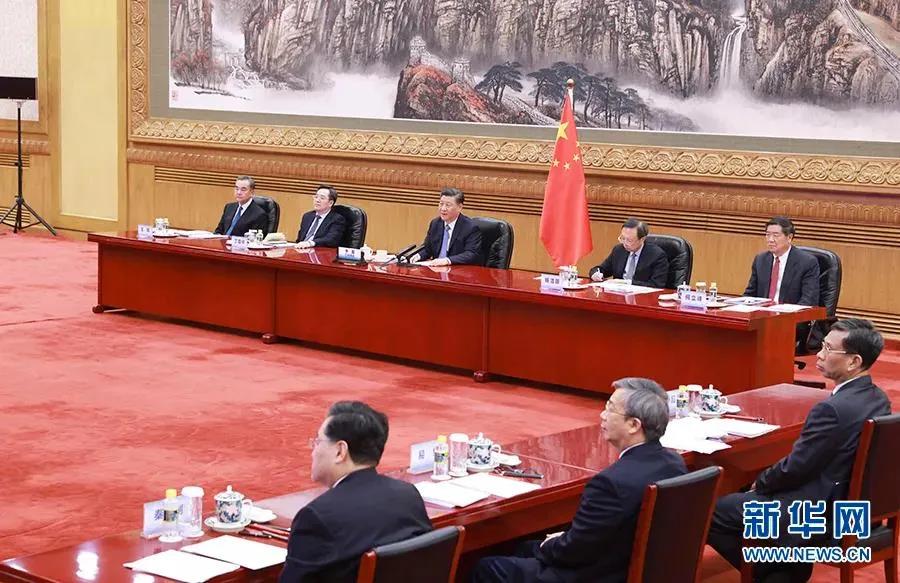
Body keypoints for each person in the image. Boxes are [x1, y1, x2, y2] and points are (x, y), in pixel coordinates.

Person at [707, 318, 891, 583]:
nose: (819, 354)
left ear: (854, 361)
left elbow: (796, 468)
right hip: (854, 509)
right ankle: (787, 568)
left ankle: (774, 572)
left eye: (828, 349)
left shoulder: (832, 410)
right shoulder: (878, 399)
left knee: (711, 511)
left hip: (819, 515)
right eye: (823, 346)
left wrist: (760, 482)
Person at [472, 378, 687, 583]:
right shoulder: (675, 463)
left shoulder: (610, 484)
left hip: (595, 575)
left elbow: (573, 552)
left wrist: (553, 543)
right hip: (635, 566)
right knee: (525, 548)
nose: (602, 415)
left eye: (610, 409)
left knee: (488, 567)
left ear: (633, 424)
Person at [280, 401, 432, 583]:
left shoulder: (317, 517)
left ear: (340, 451)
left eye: (318, 442)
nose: (313, 451)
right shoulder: (408, 496)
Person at [743, 216, 819, 306]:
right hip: (762, 312)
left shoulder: (807, 262)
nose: (770, 240)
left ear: (789, 237)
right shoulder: (761, 260)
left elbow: (809, 300)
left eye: (775, 235)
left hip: (789, 313)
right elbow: (750, 295)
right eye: (768, 235)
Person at [411, 187, 483, 266]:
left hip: (457, 270)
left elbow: (471, 254)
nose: (443, 209)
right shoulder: (435, 224)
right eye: (441, 204)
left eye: (448, 205)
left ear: (459, 207)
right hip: (435, 269)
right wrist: (418, 256)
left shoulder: (470, 227)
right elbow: (428, 249)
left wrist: (448, 260)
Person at [588, 218, 668, 288]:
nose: (625, 243)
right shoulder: (619, 250)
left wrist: (627, 283)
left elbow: (656, 285)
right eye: (622, 238)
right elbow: (602, 269)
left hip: (642, 298)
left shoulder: (657, 255)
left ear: (642, 239)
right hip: (618, 296)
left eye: (629, 240)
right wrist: (595, 274)